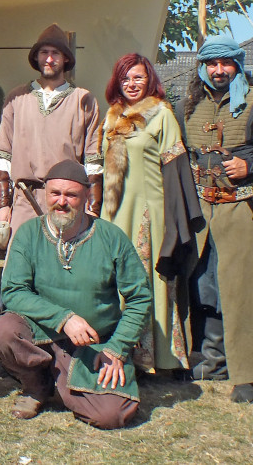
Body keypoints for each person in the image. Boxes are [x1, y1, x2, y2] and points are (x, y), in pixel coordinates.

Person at [0, 160, 151, 429]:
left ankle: (61, 379)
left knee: (111, 415)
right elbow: (13, 292)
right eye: (55, 194)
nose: (61, 202)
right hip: (41, 336)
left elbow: (139, 298)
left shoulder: (111, 237)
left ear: (86, 197)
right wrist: (64, 318)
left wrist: (118, 348)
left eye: (71, 195)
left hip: (94, 344)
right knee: (3, 331)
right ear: (45, 195)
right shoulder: (28, 234)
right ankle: (36, 386)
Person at [100, 54, 203, 373]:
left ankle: (158, 358)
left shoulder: (162, 114)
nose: (131, 84)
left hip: (150, 214)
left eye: (138, 78)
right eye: (125, 78)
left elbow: (175, 172)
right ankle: (118, 355)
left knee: (148, 282)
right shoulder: (112, 115)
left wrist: (175, 224)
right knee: (115, 282)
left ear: (150, 80)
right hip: (115, 213)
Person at [178, 35, 253, 403]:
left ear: (237, 64)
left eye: (226, 63)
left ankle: (246, 373)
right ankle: (211, 361)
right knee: (203, 285)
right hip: (200, 208)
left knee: (239, 290)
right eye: (212, 63)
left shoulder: (252, 99)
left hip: (242, 205)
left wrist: (249, 164)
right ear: (203, 66)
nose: (219, 70)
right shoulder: (188, 104)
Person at [0, 23, 102, 242]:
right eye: (44, 53)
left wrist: (92, 209)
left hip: (66, 203)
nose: (49, 59)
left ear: (66, 59)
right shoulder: (17, 98)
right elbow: (3, 157)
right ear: (36, 57)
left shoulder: (84, 99)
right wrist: (3, 205)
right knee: (21, 268)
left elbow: (93, 162)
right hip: (24, 200)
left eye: (55, 53)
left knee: (64, 268)